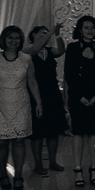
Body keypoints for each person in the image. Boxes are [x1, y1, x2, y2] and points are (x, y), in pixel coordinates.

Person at [0, 26, 42, 190]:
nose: (14, 41)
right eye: (10, 38)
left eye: (17, 38)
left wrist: (39, 103)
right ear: (4, 40)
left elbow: (32, 82)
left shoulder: (26, 59)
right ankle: (3, 174)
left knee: (19, 140)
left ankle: (18, 175)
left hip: (21, 105)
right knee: (1, 141)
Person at [64, 16, 95, 187]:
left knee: (94, 133)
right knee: (78, 133)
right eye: (86, 27)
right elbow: (69, 74)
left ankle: (94, 169)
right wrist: (79, 96)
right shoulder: (72, 48)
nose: (90, 31)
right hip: (78, 97)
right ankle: (77, 170)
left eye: (93, 27)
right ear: (80, 30)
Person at [26, 24, 67, 175]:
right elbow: (34, 50)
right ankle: (38, 164)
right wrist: (50, 33)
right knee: (37, 132)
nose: (46, 36)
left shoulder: (50, 51)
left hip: (52, 93)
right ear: (34, 34)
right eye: (42, 33)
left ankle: (53, 161)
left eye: (46, 33)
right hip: (35, 94)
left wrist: (57, 35)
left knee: (53, 131)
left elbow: (61, 50)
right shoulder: (27, 52)